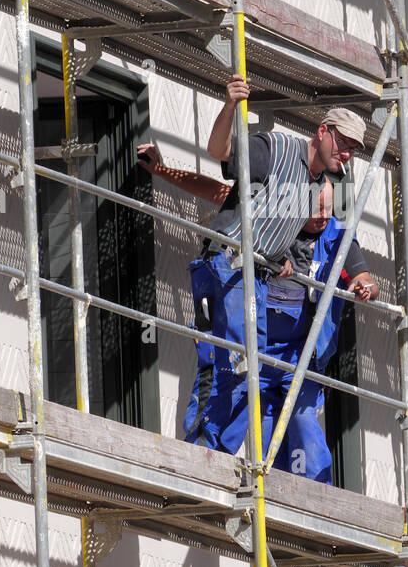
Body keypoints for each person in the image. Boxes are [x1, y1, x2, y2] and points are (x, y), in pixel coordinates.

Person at [139, 131, 378, 481]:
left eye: (330, 210)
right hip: (258, 340)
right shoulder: (275, 221)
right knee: (237, 393)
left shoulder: (335, 237)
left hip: (298, 355)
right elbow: (218, 190)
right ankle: (208, 466)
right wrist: (162, 172)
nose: (324, 217)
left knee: (301, 419)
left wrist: (366, 285)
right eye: (318, 208)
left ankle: (305, 493)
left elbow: (363, 274)